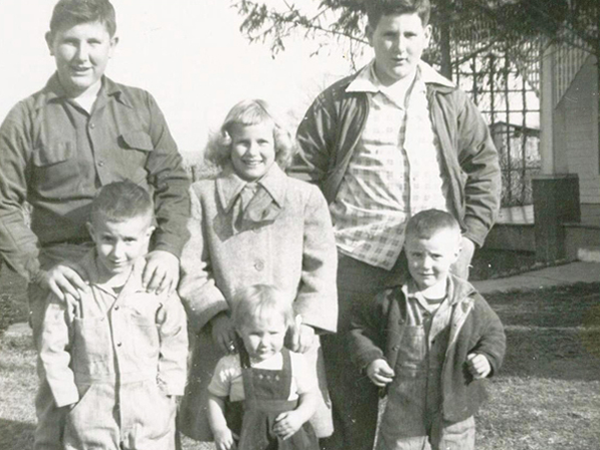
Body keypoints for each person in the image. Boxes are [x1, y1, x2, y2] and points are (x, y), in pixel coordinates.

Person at [291, 0, 501, 447]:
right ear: (370, 35)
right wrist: (313, 249)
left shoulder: (448, 99)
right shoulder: (339, 100)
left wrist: (469, 240)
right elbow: (301, 177)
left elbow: (484, 166)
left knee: (435, 386)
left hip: (430, 266)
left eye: (410, 35)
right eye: (388, 34)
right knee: (352, 387)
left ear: (425, 36)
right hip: (354, 263)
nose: (399, 46)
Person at [0, 1, 189, 448]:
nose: (82, 55)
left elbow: (175, 184)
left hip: (137, 272)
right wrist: (40, 269)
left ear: (112, 44)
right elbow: (3, 202)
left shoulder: (141, 106)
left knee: (153, 390)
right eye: (70, 42)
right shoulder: (26, 118)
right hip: (65, 277)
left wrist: (167, 249)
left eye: (93, 42)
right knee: (62, 398)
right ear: (50, 43)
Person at [178, 99, 338, 446]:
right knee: (228, 423)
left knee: (292, 427)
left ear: (277, 144)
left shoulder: (304, 197)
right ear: (227, 144)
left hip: (287, 334)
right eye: (243, 142)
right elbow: (191, 264)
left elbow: (321, 266)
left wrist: (307, 321)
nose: (253, 152)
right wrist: (216, 315)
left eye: (262, 141)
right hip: (226, 335)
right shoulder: (202, 195)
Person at [39, 181, 188, 450]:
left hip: (148, 414)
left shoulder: (156, 286)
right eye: (108, 239)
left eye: (129, 240)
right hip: (91, 415)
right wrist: (69, 398)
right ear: (92, 233)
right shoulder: (73, 287)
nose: (118, 253)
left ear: (147, 235)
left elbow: (175, 339)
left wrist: (168, 392)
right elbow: (53, 349)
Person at [348, 209, 506, 450]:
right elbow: (360, 329)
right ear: (405, 250)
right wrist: (371, 359)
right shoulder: (390, 298)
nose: (425, 265)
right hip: (404, 406)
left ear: (455, 254)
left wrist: (486, 357)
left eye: (435, 256)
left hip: (454, 409)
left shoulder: (468, 299)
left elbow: (493, 333)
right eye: (417, 255)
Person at [207, 284, 320, 450]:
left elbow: (310, 395)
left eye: (273, 333)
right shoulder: (230, 364)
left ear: (285, 329)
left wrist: (299, 416)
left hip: (288, 441)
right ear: (240, 331)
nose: (265, 343)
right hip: (245, 440)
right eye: (255, 334)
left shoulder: (296, 362)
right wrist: (220, 429)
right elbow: (215, 397)